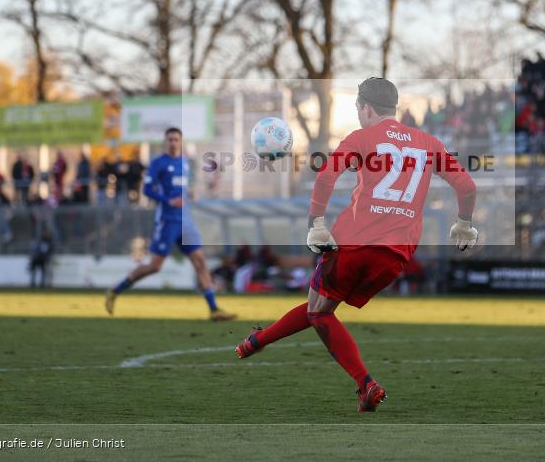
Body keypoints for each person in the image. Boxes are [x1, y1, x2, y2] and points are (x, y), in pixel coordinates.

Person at [235, 77, 478, 412]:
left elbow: (326, 176)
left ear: (365, 107)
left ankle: (366, 384)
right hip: (396, 256)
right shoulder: (428, 142)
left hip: (354, 241)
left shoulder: (362, 137)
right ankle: (256, 341)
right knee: (318, 308)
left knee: (319, 312)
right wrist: (464, 223)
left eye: (358, 108)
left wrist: (316, 224)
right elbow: (466, 186)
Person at [104, 127, 236, 321]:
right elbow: (147, 190)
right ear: (165, 142)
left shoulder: (185, 163)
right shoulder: (158, 163)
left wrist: (190, 194)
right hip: (167, 221)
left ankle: (214, 309)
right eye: (170, 139)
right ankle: (116, 290)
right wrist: (167, 200)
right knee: (154, 266)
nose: (173, 142)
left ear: (181, 142)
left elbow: (184, 188)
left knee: (200, 261)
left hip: (185, 221)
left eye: (176, 139)